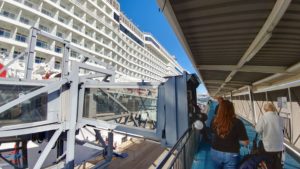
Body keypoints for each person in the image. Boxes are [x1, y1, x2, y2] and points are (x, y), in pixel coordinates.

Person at [211, 100, 249, 169]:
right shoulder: (238, 122)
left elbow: (213, 134)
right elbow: (245, 142)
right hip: (231, 154)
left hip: (215, 151)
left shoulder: (214, 121)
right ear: (232, 110)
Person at [255, 102, 284, 169]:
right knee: (277, 164)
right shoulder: (279, 118)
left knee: (267, 164)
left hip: (267, 147)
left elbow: (258, 130)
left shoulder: (263, 117)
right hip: (279, 146)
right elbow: (282, 128)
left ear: (265, 109)